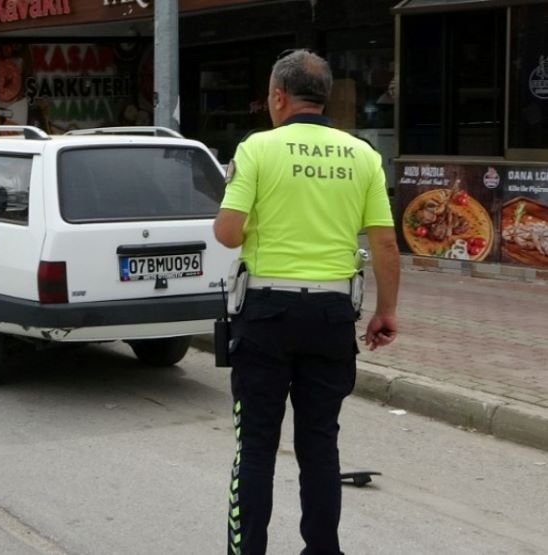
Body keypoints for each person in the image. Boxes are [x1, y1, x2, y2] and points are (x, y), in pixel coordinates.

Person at [213, 49, 400, 555]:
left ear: (278, 96)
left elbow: (227, 233)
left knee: (255, 446)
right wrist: (386, 311)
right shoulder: (362, 154)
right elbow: (384, 244)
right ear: (326, 97)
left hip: (266, 314)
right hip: (332, 316)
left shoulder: (257, 149)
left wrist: (264, 222)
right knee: (319, 445)